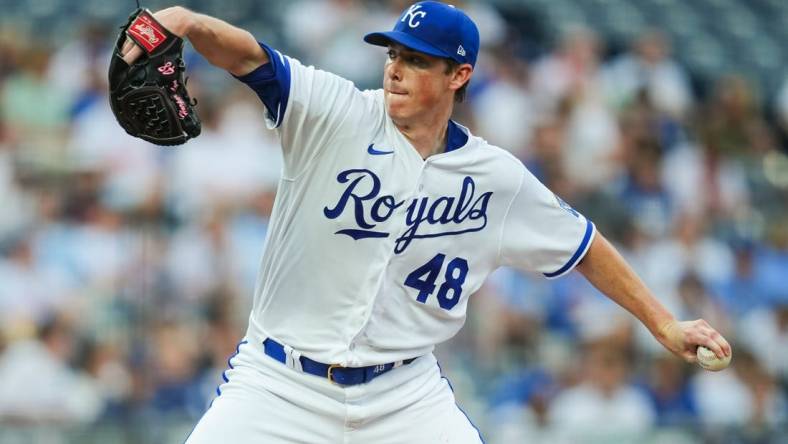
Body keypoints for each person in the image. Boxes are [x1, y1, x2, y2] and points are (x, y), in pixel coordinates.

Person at [120, 2, 732, 442]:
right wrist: (189, 22)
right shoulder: (334, 112)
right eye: (394, 55)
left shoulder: (496, 177)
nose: (395, 69)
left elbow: (585, 245)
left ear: (458, 75)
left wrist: (663, 323)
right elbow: (251, 58)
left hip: (403, 397)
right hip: (278, 384)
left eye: (416, 60)